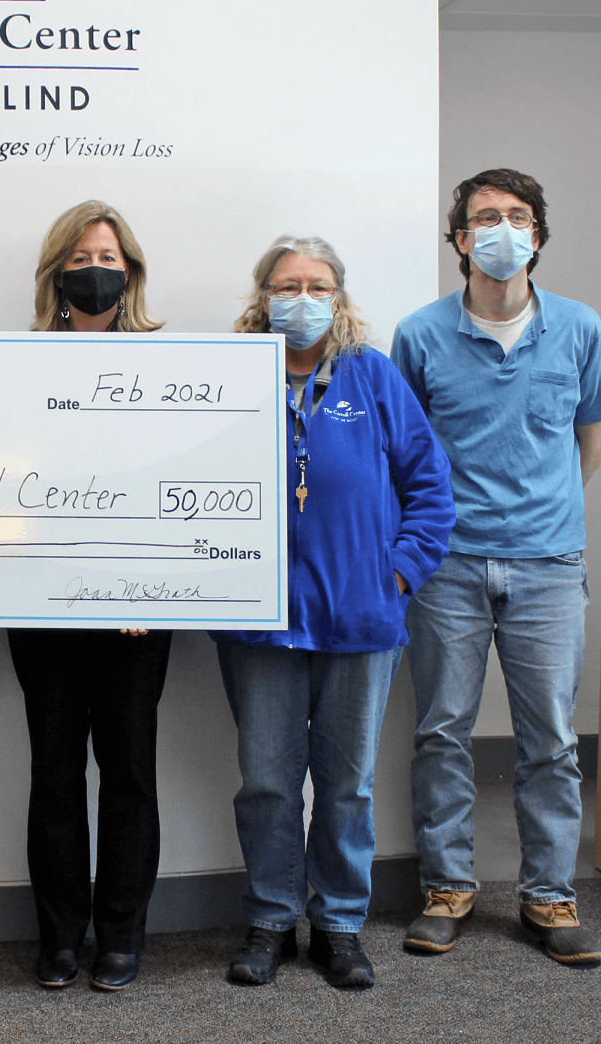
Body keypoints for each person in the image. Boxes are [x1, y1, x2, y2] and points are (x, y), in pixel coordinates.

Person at [393, 169, 601, 967]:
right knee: (440, 732)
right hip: (447, 565)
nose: (502, 228)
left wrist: (538, 514)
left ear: (536, 235)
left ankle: (549, 896)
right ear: (459, 239)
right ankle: (446, 888)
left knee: (551, 741)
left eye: (517, 216)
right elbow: (404, 453)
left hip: (548, 566)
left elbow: (589, 443)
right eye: (485, 216)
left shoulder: (579, 327)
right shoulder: (419, 334)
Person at [219, 237, 454, 990]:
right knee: (266, 782)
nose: (302, 298)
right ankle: (269, 920)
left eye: (317, 286)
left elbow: (431, 487)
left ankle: (340, 925)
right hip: (259, 621)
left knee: (347, 785)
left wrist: (398, 573)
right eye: (287, 285)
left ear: (338, 297)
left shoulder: (372, 375)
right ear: (262, 296)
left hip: (361, 618)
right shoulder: (225, 376)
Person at [7, 200, 172, 993]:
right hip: (39, 606)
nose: (94, 270)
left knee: (129, 769)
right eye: (79, 258)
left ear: (128, 271)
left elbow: (177, 485)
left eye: (107, 257)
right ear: (56, 273)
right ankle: (59, 936)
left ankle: (121, 935)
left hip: (135, 613)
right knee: (54, 772)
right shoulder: (12, 365)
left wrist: (147, 585)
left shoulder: (171, 368)